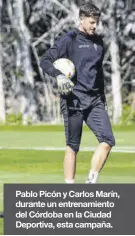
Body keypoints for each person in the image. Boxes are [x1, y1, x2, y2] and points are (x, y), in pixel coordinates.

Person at [40, 3, 115, 184]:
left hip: (95, 101)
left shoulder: (99, 42)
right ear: (81, 19)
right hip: (73, 100)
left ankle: (91, 181)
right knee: (73, 146)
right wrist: (59, 76)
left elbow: (98, 74)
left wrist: (103, 99)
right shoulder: (69, 39)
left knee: (107, 140)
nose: (95, 26)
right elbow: (45, 61)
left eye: (97, 22)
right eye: (91, 22)